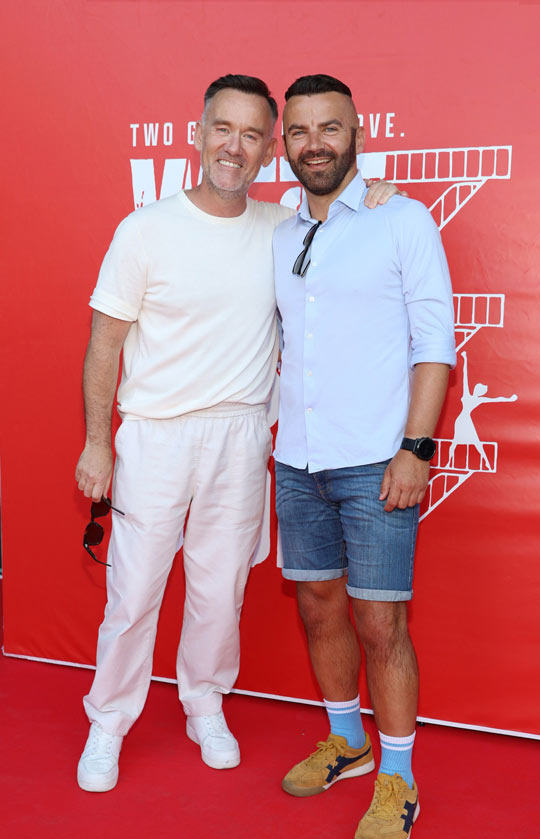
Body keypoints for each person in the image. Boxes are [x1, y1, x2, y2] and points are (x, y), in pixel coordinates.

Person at [74, 73, 397, 792]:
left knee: (220, 590)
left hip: (243, 437)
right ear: (198, 133)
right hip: (155, 435)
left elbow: (350, 240)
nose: (235, 147)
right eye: (224, 129)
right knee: (133, 594)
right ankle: (110, 719)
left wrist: (377, 195)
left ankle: (203, 702)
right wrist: (99, 442)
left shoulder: (281, 233)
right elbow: (103, 345)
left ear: (268, 150)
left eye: (253, 135)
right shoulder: (144, 230)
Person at [272, 74, 456, 839]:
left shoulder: (402, 220)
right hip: (294, 461)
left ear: (356, 132)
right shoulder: (275, 232)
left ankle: (397, 777)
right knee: (317, 609)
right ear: (285, 143)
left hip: (376, 461)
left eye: (330, 128)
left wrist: (415, 449)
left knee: (381, 623)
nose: (315, 143)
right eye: (300, 131)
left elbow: (432, 344)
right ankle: (345, 742)